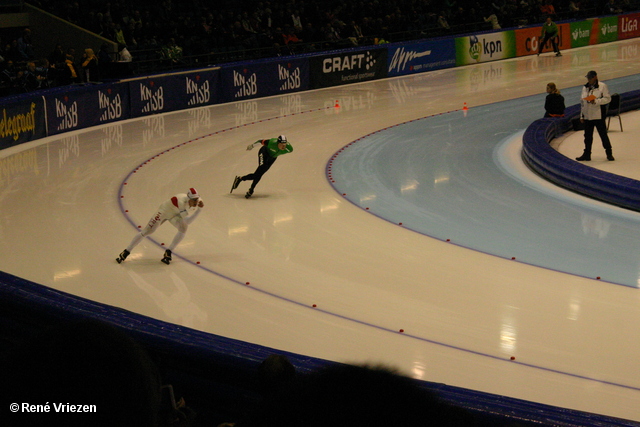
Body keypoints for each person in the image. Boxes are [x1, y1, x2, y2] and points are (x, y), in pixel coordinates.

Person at [117, 188, 204, 264]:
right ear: (188, 198)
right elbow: (188, 221)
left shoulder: (199, 201)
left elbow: (186, 222)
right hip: (163, 212)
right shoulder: (181, 201)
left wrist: (200, 209)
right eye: (193, 200)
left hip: (175, 214)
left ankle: (168, 252)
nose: (196, 202)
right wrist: (198, 211)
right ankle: (126, 251)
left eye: (197, 199)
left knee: (183, 228)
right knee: (148, 231)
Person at [576, 70, 614, 161]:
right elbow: (582, 102)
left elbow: (608, 99)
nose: (589, 80)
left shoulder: (602, 86)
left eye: (590, 78)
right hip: (588, 116)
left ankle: (609, 153)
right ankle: (587, 154)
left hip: (598, 115)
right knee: (587, 136)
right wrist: (582, 115)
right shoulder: (585, 87)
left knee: (603, 135)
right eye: (588, 78)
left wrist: (596, 101)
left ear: (595, 77)